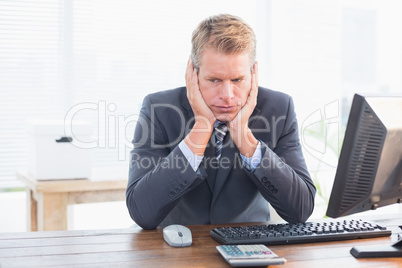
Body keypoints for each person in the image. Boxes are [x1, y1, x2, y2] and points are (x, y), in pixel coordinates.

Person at [126, 14, 316, 230]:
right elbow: (141, 211)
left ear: (253, 74)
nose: (227, 95)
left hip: (250, 250)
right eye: (214, 80)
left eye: (237, 80)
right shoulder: (158, 109)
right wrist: (202, 127)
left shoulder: (279, 108)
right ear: (193, 74)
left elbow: (300, 210)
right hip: (178, 252)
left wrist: (245, 139)